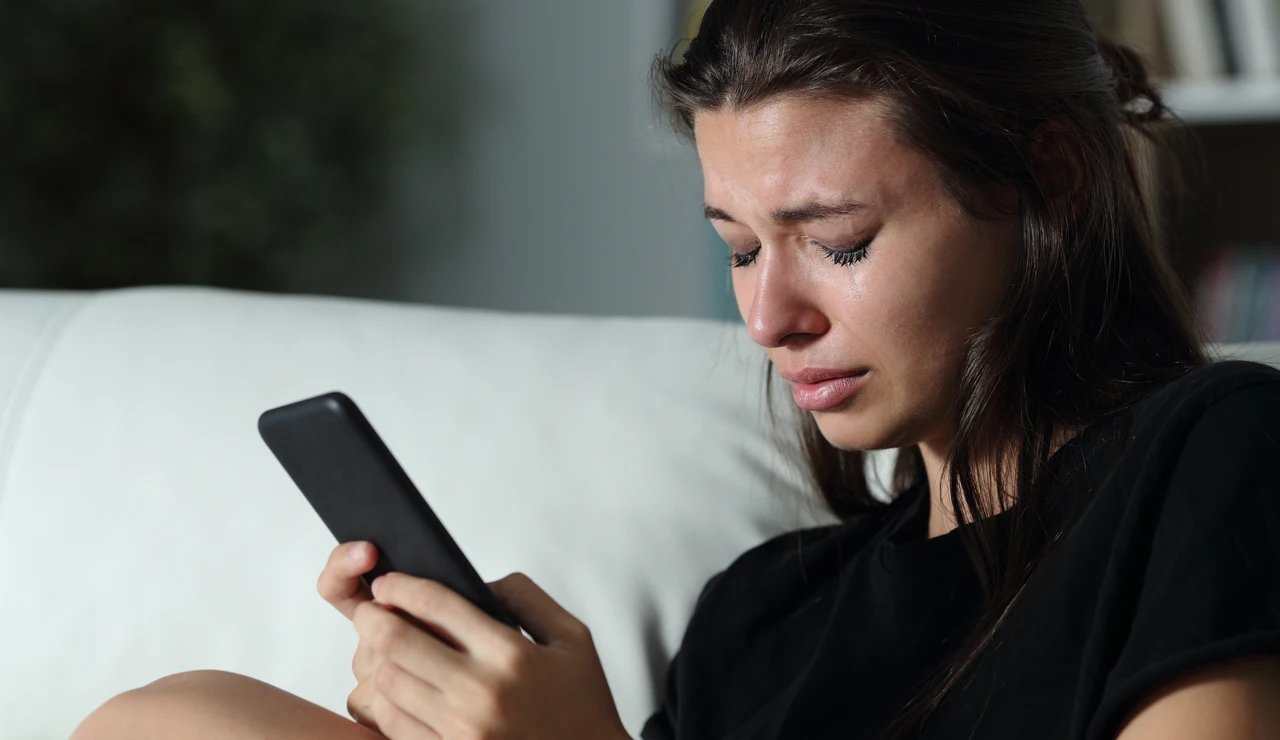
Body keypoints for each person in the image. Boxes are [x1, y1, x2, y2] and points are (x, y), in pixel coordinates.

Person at [70, 1, 1280, 739]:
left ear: (1051, 179)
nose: (769, 315)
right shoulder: (763, 612)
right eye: (739, 249)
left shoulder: (1209, 455)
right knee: (172, 715)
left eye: (838, 241)